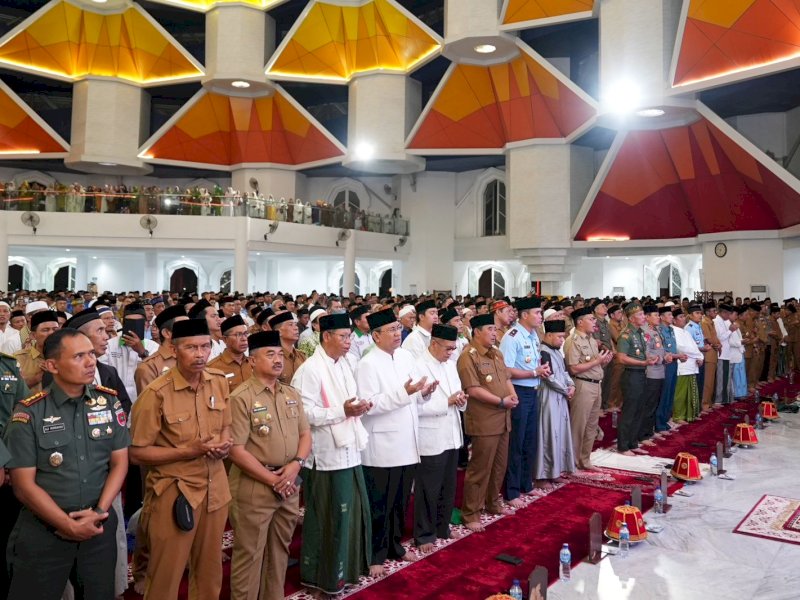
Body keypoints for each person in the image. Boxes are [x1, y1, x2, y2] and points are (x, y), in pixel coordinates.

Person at [4, 329, 129, 600]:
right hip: (44, 531)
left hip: (98, 526)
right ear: (51, 366)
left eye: (91, 354)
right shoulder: (29, 413)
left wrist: (99, 511)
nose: (90, 362)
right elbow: (23, 486)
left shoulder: (108, 402)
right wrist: (67, 524)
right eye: (79, 356)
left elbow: (120, 463)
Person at [130, 319, 233, 600]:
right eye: (191, 348)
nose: (200, 354)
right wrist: (189, 451)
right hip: (175, 493)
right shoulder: (156, 394)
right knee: (167, 575)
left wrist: (224, 444)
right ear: (174, 351)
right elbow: (137, 453)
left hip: (215, 490)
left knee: (210, 573)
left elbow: (226, 424)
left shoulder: (218, 383)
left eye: (205, 347)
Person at [291, 313, 372, 595]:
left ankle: (347, 571)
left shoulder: (345, 363)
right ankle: (322, 578)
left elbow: (348, 401)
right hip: (325, 456)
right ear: (326, 337)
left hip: (350, 448)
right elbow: (303, 414)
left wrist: (361, 407)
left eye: (350, 336)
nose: (349, 342)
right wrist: (343, 411)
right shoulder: (310, 369)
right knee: (329, 517)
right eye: (343, 336)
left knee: (350, 515)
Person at [228, 331, 311, 600]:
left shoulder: (290, 393)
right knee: (249, 555)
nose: (278, 360)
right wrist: (272, 479)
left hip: (288, 483)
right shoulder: (241, 397)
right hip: (256, 486)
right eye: (269, 354)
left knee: (279, 552)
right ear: (252, 361)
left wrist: (296, 465)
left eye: (279, 354)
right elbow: (236, 450)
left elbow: (305, 435)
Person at [356, 307, 434, 576]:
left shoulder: (404, 357)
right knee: (380, 504)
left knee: (400, 502)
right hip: (382, 446)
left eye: (398, 328)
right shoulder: (367, 363)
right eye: (391, 330)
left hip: (407, 441)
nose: (397, 334)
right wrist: (405, 393)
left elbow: (413, 393)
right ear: (376, 335)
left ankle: (395, 547)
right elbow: (369, 404)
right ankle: (374, 554)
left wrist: (424, 394)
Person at [457, 313, 517, 532]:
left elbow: (506, 378)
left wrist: (511, 396)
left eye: (494, 329)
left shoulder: (497, 354)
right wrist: (501, 401)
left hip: (503, 417)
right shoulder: (468, 356)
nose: (494, 333)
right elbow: (473, 390)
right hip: (484, 420)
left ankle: (492, 502)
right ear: (477, 332)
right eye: (490, 329)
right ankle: (471, 512)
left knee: (499, 465)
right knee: (480, 468)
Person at [411, 323, 466, 553]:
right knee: (428, 489)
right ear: (434, 344)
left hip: (452, 432)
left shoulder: (451, 365)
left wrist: (461, 400)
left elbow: (457, 393)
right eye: (447, 348)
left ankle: (442, 526)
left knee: (448, 484)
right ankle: (424, 535)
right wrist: (448, 402)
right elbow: (416, 405)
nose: (451, 352)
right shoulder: (417, 366)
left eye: (454, 348)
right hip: (430, 435)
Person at [498, 297, 549, 507]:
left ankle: (525, 483)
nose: (540, 316)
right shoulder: (512, 337)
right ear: (525, 315)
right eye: (537, 313)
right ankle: (511, 491)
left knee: (530, 440)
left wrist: (539, 371)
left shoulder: (534, 334)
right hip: (518, 391)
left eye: (540, 313)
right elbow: (506, 370)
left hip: (533, 390)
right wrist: (533, 372)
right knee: (516, 443)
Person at [564, 306, 611, 470]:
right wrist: (596, 362)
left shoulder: (591, 340)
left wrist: (603, 361)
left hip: (595, 384)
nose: (594, 322)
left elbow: (593, 364)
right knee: (578, 426)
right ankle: (572, 462)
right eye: (590, 319)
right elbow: (573, 368)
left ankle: (585, 460)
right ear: (580, 322)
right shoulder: (573, 341)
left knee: (591, 426)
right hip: (582, 385)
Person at [534, 320, 575, 489]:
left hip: (561, 396)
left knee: (560, 434)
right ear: (549, 335)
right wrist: (566, 389)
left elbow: (564, 372)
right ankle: (543, 475)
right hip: (549, 398)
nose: (561, 340)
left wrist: (571, 385)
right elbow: (548, 377)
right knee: (548, 435)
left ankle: (555, 471)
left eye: (563, 337)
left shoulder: (557, 351)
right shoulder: (543, 351)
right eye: (559, 337)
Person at [615, 303, 658, 456]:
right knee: (630, 410)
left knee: (640, 409)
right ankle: (623, 445)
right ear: (632, 319)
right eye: (640, 315)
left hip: (641, 374)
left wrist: (648, 359)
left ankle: (633, 442)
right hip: (631, 374)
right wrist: (643, 362)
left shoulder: (639, 333)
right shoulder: (625, 334)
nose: (643, 317)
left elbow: (640, 354)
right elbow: (621, 358)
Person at [101, 302, 159, 401]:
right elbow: (102, 373)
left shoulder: (154, 347)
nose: (134, 326)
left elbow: (157, 374)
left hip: (143, 401)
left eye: (139, 322)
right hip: (114, 400)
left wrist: (142, 353)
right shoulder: (109, 345)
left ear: (145, 324)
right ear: (123, 323)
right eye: (130, 322)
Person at [134, 304, 187, 395]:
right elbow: (149, 407)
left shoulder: (191, 359)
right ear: (166, 333)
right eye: (184, 327)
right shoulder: (149, 367)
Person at [16, 310, 60, 393]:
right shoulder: (19, 359)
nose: (51, 333)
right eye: (45, 330)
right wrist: (38, 377)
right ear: (33, 335)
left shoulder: (67, 357)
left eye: (55, 329)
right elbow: (10, 390)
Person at [671, 309, 703, 422]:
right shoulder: (674, 331)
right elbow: (681, 347)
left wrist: (700, 357)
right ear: (674, 320)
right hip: (682, 366)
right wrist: (697, 355)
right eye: (680, 317)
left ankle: (690, 414)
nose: (684, 318)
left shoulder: (685, 331)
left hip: (692, 365)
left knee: (691, 391)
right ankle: (678, 416)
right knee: (680, 393)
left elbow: (694, 346)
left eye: (684, 316)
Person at [208, 315, 253, 391]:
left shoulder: (253, 363)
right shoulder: (213, 368)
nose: (244, 339)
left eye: (245, 334)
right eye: (238, 335)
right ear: (225, 339)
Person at [269, 312, 306, 385]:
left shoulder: (302, 356)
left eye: (295, 324)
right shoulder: (273, 359)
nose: (296, 328)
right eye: (290, 325)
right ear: (279, 332)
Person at [700, 302, 720, 413]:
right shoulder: (704, 322)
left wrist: (719, 343)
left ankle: (709, 402)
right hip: (708, 355)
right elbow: (708, 338)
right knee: (707, 381)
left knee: (712, 381)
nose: (716, 312)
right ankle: (704, 404)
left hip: (713, 353)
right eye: (714, 311)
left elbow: (715, 337)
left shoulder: (711, 322)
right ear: (707, 312)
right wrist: (717, 344)